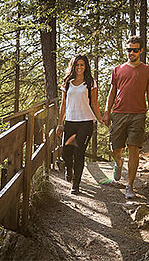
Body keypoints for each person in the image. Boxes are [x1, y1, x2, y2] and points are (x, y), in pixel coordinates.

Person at [103, 36, 149, 199]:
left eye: (135, 49)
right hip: (118, 114)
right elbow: (112, 92)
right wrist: (107, 112)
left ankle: (130, 186)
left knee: (134, 149)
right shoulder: (117, 70)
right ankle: (118, 163)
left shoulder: (148, 70)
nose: (131, 52)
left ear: (141, 50)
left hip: (138, 115)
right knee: (115, 149)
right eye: (129, 49)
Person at [57, 54, 102, 194]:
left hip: (86, 121)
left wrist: (100, 119)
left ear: (86, 66)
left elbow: (94, 103)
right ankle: (68, 169)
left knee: (79, 152)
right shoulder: (67, 82)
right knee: (66, 152)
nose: (79, 67)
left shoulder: (90, 82)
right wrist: (60, 123)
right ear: (73, 66)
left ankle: (75, 185)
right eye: (77, 65)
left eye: (82, 65)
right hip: (70, 121)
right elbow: (63, 104)